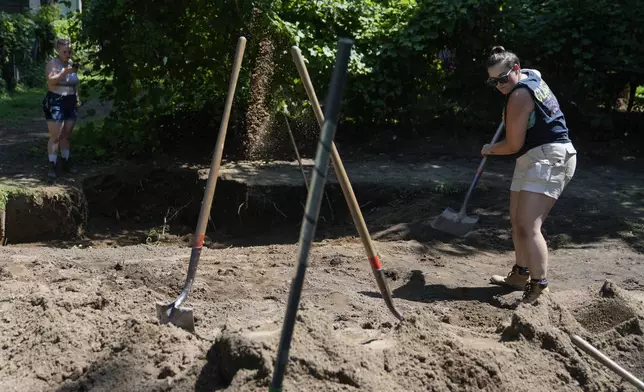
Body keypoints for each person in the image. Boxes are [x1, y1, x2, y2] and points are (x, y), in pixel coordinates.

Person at [481, 46, 577, 304]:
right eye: (493, 81)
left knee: (528, 225)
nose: (499, 85)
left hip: (550, 157)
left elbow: (511, 145)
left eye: (503, 79)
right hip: (531, 156)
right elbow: (534, 70)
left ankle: (540, 287)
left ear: (515, 69)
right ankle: (520, 274)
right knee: (516, 220)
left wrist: (490, 149)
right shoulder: (529, 75)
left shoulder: (519, 96)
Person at [42, 38, 80, 178]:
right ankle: (52, 164)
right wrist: (64, 72)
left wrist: (77, 97)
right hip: (56, 100)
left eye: (70, 51)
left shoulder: (71, 64)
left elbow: (75, 83)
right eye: (65, 51)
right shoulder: (53, 63)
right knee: (55, 135)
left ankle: (66, 161)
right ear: (58, 51)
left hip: (70, 101)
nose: (68, 54)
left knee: (67, 134)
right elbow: (51, 80)